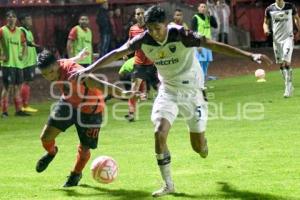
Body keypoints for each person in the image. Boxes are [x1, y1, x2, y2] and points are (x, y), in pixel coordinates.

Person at [72, 5, 272, 197]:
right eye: (149, 29)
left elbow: (212, 44)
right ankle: (168, 184)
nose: (154, 33)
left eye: (157, 28)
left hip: (193, 93)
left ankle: (202, 141)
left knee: (200, 149)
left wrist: (249, 54)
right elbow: (117, 53)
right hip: (168, 91)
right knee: (159, 132)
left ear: (165, 24)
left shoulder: (181, 34)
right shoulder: (144, 40)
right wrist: (89, 69)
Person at [35, 49, 134, 187]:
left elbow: (102, 84)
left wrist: (124, 93)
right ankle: (51, 153)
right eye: (45, 74)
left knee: (85, 147)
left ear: (56, 65)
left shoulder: (77, 75)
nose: (49, 76)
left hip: (91, 109)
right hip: (69, 103)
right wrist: (79, 57)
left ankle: (75, 174)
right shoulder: (60, 64)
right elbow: (69, 61)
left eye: (51, 72)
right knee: (45, 137)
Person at [124, 7, 159, 122]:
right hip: (139, 64)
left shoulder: (150, 27)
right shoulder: (132, 29)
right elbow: (130, 43)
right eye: (138, 14)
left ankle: (169, 109)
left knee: (160, 88)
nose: (140, 15)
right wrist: (125, 53)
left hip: (152, 63)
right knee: (134, 89)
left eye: (142, 13)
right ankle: (131, 113)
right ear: (135, 16)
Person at [263, 0, 300, 98]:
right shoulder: (269, 9)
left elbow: (296, 18)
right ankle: (289, 85)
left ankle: (287, 87)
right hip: (276, 40)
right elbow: (265, 23)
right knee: (281, 65)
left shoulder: (290, 6)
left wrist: (299, 30)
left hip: (288, 37)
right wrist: (266, 30)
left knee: (286, 62)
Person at [0, 10, 29, 118]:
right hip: (7, 64)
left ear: (16, 19)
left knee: (18, 87)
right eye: (9, 17)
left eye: (13, 16)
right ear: (6, 19)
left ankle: (18, 110)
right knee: (7, 88)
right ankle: (4, 111)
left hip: (18, 64)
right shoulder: (2, 30)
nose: (11, 18)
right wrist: (1, 56)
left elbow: (24, 45)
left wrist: (23, 55)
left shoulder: (19, 32)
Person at [191, 3, 218, 80]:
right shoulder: (195, 18)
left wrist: (211, 16)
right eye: (201, 7)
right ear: (198, 8)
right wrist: (197, 45)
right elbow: (193, 31)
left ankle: (204, 78)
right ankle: (199, 79)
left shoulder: (208, 18)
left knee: (206, 61)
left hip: (208, 43)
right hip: (200, 43)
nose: (203, 8)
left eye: (204, 7)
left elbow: (215, 25)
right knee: (200, 62)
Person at [19, 13, 39, 113]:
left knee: (27, 82)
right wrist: (36, 45)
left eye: (30, 18)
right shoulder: (21, 30)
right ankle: (24, 105)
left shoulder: (28, 31)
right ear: (22, 21)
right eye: (28, 19)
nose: (30, 21)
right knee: (25, 82)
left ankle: (24, 104)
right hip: (25, 61)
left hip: (30, 61)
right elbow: (25, 43)